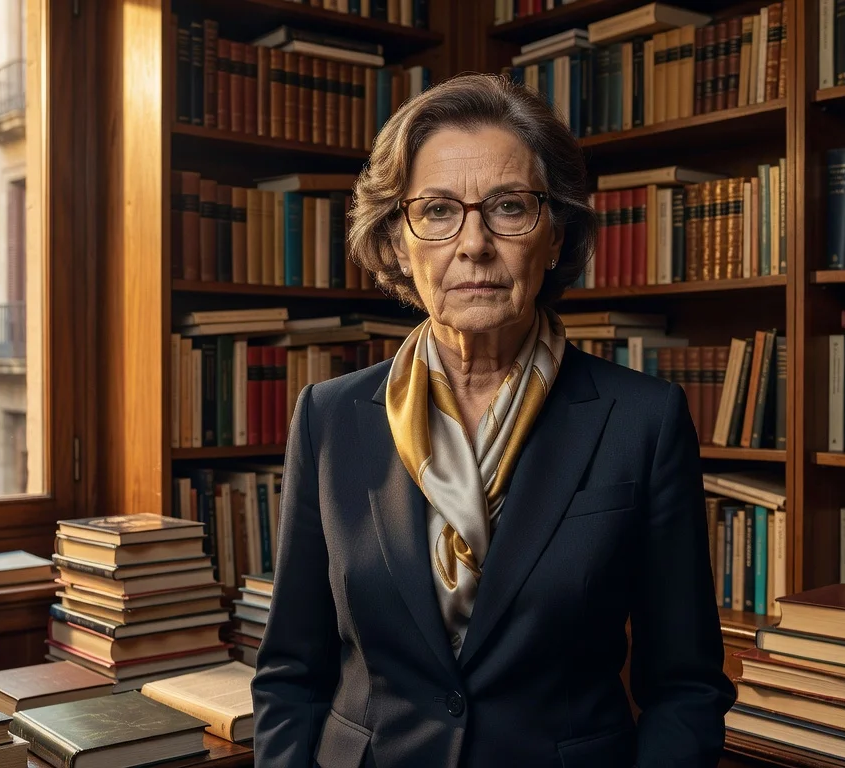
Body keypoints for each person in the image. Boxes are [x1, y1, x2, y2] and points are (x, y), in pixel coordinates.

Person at [250, 73, 734, 768]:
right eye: (438, 211)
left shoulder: (643, 421)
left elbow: (684, 685)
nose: (473, 243)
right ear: (397, 239)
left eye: (509, 207)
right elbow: (291, 672)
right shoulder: (328, 418)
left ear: (555, 233)